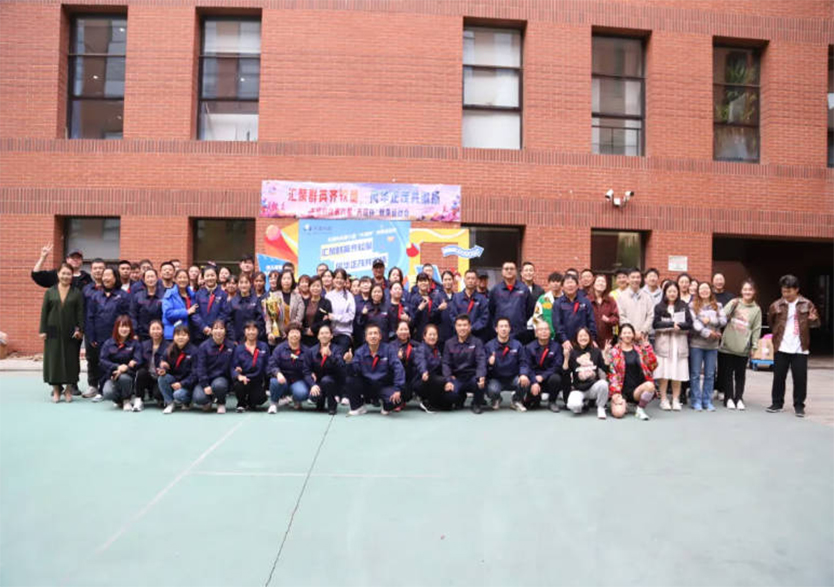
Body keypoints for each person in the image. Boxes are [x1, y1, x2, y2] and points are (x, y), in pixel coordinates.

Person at [767, 274, 820, 417]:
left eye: (789, 291)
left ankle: (799, 405)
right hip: (781, 346)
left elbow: (816, 324)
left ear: (796, 289)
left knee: (800, 379)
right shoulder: (776, 305)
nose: (786, 294)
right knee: (778, 377)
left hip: (800, 348)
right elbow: (771, 322)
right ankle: (777, 403)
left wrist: (813, 320)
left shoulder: (807, 304)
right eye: (783, 291)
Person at [39, 263, 84, 403]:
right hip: (52, 329)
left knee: (71, 359)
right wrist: (42, 330)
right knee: (54, 359)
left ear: (72, 276)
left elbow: (80, 313)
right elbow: (44, 312)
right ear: (58, 274)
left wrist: (80, 330)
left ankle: (69, 389)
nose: (66, 276)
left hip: (71, 330)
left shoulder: (77, 293)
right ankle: (56, 390)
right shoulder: (50, 292)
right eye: (63, 273)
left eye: (68, 274)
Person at [85, 267, 130, 402]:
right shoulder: (96, 296)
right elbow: (90, 317)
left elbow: (128, 316)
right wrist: (91, 336)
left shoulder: (123, 295)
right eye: (104, 276)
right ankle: (101, 390)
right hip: (99, 336)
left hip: (118, 336)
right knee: (102, 363)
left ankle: (121, 390)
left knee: (118, 361)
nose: (105, 278)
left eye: (109, 275)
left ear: (115, 278)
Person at [719, 280, 762, 411]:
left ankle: (739, 398)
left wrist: (754, 346)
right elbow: (721, 316)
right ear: (741, 291)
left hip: (743, 347)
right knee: (727, 373)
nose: (747, 292)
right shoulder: (734, 302)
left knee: (740, 374)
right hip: (728, 344)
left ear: (754, 292)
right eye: (745, 289)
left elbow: (756, 329)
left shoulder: (756, 309)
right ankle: (728, 398)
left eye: (750, 290)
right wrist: (731, 308)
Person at [346, 323, 406, 416]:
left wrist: (397, 389)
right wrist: (349, 362)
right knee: (350, 380)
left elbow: (398, 368)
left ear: (380, 336)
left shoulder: (389, 350)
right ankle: (358, 406)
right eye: (370, 334)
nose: (373, 336)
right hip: (366, 385)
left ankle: (386, 406)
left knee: (397, 401)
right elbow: (354, 371)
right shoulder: (359, 352)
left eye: (375, 333)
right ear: (366, 338)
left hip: (383, 385)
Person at [652, 281, 693, 411]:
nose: (672, 294)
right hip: (664, 345)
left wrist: (679, 326)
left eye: (674, 291)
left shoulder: (683, 306)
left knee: (677, 373)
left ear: (678, 292)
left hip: (679, 344)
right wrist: (671, 325)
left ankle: (675, 399)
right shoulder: (659, 307)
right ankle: (663, 399)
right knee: (664, 374)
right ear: (665, 293)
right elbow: (655, 324)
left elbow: (690, 324)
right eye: (669, 291)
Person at [607, 323, 658, 421]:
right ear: (620, 335)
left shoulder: (640, 349)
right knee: (618, 413)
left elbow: (653, 366)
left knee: (650, 386)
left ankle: (640, 408)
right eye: (624, 333)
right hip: (621, 390)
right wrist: (615, 393)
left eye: (629, 333)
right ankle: (625, 404)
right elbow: (612, 373)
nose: (627, 335)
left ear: (633, 335)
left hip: (637, 390)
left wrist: (648, 348)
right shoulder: (614, 351)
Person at [689, 282, 726, 412]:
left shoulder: (718, 306)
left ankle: (707, 401)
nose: (704, 291)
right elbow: (695, 323)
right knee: (695, 374)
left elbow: (723, 321)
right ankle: (696, 401)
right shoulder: (692, 305)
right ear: (698, 291)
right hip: (697, 344)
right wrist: (708, 333)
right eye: (701, 289)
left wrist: (710, 320)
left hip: (712, 345)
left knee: (710, 374)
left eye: (706, 288)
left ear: (711, 291)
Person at [442, 314, 487, 414]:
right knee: (449, 396)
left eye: (465, 325)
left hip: (472, 377)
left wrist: (481, 375)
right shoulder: (449, 343)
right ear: (455, 327)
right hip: (457, 378)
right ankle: (460, 398)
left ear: (469, 327)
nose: (462, 328)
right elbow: (446, 364)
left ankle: (476, 403)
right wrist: (448, 380)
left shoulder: (477, 342)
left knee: (480, 383)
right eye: (459, 325)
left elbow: (481, 361)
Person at [484, 317, 529, 412]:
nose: (503, 329)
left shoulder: (517, 345)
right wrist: (489, 363)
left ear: (509, 329)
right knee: (491, 389)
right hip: (496, 379)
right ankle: (496, 399)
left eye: (506, 326)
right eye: (501, 326)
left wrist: (523, 374)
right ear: (496, 329)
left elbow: (523, 362)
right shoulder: (489, 346)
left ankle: (516, 400)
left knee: (525, 381)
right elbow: (483, 367)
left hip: (513, 377)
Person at [563, 327, 608, 419]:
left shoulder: (596, 351)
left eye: (585, 335)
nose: (583, 338)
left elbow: (605, 368)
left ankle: (600, 407)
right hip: (578, 388)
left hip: (593, 387)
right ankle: (582, 404)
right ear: (576, 338)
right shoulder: (573, 353)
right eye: (580, 336)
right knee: (574, 406)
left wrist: (605, 354)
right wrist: (566, 358)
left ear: (589, 337)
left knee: (603, 384)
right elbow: (565, 373)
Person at [99, 315, 140, 411]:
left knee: (124, 378)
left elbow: (138, 360)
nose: (124, 329)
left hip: (129, 376)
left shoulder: (135, 343)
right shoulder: (108, 343)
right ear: (116, 328)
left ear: (130, 328)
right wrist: (117, 367)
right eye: (121, 326)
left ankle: (127, 399)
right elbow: (102, 360)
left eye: (127, 326)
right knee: (107, 393)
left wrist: (125, 369)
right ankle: (118, 401)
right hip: (112, 376)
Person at [193, 319, 235, 414]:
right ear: (211, 331)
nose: (218, 331)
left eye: (221, 328)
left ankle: (221, 402)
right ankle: (209, 401)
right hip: (206, 379)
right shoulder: (203, 346)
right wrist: (205, 385)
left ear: (225, 331)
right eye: (216, 328)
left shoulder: (231, 346)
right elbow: (201, 367)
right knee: (198, 398)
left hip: (221, 380)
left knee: (219, 385)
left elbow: (233, 366)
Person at [303, 323, 345, 414]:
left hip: (333, 381)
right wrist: (312, 385)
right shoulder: (311, 351)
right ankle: (320, 402)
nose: (324, 335)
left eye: (326, 333)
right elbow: (306, 370)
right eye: (321, 333)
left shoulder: (338, 349)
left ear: (331, 336)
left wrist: (330, 355)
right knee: (314, 396)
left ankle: (332, 405)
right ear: (318, 336)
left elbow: (341, 367)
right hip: (318, 381)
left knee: (326, 380)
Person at [267, 322, 310, 412]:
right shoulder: (279, 348)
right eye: (292, 332)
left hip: (297, 381)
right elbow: (272, 364)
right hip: (282, 380)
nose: (294, 335)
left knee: (302, 393)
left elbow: (309, 368)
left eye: (297, 332)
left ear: (300, 335)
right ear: (287, 335)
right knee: (274, 382)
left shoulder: (306, 351)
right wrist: (278, 373)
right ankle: (274, 403)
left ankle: (296, 398)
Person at [521, 321, 563, 411]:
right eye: (540, 329)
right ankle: (534, 399)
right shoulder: (529, 347)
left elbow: (557, 366)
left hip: (548, 377)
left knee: (556, 378)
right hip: (534, 377)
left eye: (546, 329)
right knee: (525, 379)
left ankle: (552, 401)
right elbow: (527, 366)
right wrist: (534, 381)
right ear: (536, 333)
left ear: (550, 332)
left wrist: (543, 376)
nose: (544, 332)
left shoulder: (556, 347)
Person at [158, 324, 198, 414]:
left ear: (188, 337)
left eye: (184, 335)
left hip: (188, 383)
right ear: (173, 337)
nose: (180, 337)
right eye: (178, 335)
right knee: (162, 378)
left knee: (178, 395)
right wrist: (163, 369)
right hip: (174, 379)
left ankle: (188, 401)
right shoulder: (169, 349)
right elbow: (163, 362)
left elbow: (195, 374)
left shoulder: (194, 351)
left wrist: (182, 384)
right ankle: (169, 403)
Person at [230, 321, 270, 412]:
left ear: (258, 331)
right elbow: (233, 367)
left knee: (260, 398)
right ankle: (241, 403)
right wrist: (238, 375)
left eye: (253, 329)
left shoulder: (264, 347)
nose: (251, 332)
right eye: (248, 329)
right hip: (244, 380)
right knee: (238, 386)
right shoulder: (238, 349)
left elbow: (268, 364)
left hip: (257, 380)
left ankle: (250, 402)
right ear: (244, 332)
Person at [552, 274, 597, 351]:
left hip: (583, 342)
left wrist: (592, 338)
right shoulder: (558, 303)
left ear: (577, 286)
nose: (570, 285)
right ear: (562, 287)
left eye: (572, 282)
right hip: (564, 343)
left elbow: (591, 321)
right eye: (567, 283)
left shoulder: (585, 302)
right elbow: (557, 324)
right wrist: (564, 340)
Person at [488, 261, 531, 341]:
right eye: (506, 269)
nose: (509, 271)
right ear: (502, 272)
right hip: (501, 332)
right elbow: (491, 310)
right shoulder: (496, 290)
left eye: (512, 269)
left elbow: (529, 310)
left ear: (516, 272)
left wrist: (521, 321)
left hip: (519, 332)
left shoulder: (524, 289)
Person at [264, 269, 304, 345]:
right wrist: (269, 332)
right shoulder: (273, 296)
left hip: (293, 335)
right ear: (280, 280)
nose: (286, 281)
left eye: (289, 278)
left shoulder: (298, 297)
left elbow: (299, 317)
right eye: (284, 278)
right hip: (277, 335)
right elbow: (268, 318)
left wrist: (290, 330)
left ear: (292, 280)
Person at [414, 323, 447, 413]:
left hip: (434, 379)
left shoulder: (436, 349)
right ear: (424, 336)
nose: (432, 337)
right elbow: (421, 361)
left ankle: (434, 402)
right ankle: (426, 402)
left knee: (448, 403)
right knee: (441, 381)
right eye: (430, 334)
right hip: (422, 380)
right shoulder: (421, 349)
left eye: (434, 335)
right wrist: (424, 371)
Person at [191, 265, 229, 344]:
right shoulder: (197, 294)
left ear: (216, 276)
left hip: (218, 334)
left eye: (212, 275)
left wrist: (215, 328)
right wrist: (203, 327)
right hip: (200, 334)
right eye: (207, 276)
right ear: (203, 278)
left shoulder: (223, 294)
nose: (210, 278)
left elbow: (224, 313)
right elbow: (195, 314)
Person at [450, 270, 489, 341]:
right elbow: (452, 315)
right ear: (464, 280)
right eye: (468, 278)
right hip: (459, 337)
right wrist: (461, 328)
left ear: (476, 281)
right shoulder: (456, 297)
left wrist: (471, 328)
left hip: (477, 337)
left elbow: (484, 318)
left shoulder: (482, 299)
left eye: (473, 278)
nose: (470, 281)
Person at [135, 319, 166, 409]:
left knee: (158, 394)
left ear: (163, 331)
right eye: (153, 329)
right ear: (149, 331)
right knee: (141, 372)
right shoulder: (143, 345)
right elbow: (139, 361)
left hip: (161, 377)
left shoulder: (168, 346)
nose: (155, 331)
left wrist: (165, 368)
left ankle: (161, 398)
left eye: (158, 329)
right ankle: (139, 399)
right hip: (148, 376)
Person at [617, 268, 654, 343]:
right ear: (628, 279)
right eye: (633, 277)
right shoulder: (621, 297)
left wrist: (642, 331)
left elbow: (650, 316)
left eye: (638, 277)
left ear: (641, 279)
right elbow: (621, 316)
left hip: (642, 337)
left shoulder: (647, 297)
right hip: (626, 337)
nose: (635, 280)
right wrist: (632, 332)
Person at [325, 268, 355, 358]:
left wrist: (335, 317)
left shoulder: (349, 296)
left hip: (344, 334)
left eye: (341, 278)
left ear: (345, 281)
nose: (339, 280)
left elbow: (351, 316)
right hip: (329, 335)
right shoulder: (328, 296)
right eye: (337, 278)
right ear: (333, 279)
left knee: (340, 359)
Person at [228, 273, 265, 343]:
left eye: (246, 282)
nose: (244, 285)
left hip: (253, 339)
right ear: (238, 285)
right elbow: (229, 322)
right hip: (237, 340)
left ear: (250, 284)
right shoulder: (232, 302)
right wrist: (233, 339)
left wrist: (256, 336)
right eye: (241, 282)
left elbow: (260, 321)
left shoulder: (256, 300)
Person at [162, 269, 197, 341]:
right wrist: (186, 312)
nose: (182, 280)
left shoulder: (192, 295)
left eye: (185, 277)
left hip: (189, 333)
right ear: (175, 279)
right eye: (180, 277)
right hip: (174, 333)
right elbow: (168, 313)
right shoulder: (169, 294)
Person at [130, 268, 163, 340]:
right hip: (142, 334)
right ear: (144, 280)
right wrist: (135, 332)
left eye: (152, 276)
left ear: (157, 278)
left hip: (160, 333)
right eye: (148, 277)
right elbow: (133, 315)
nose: (150, 279)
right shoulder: (137, 296)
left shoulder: (164, 295)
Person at [394, 320, 420, 405]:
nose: (403, 332)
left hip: (412, 378)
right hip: (397, 379)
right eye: (401, 329)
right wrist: (397, 358)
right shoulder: (391, 346)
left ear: (409, 331)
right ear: (396, 331)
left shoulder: (416, 345)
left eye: (406, 329)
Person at [302, 275, 332, 347]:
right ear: (309, 287)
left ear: (322, 287)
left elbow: (327, 320)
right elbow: (301, 319)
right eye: (313, 286)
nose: (315, 288)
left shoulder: (326, 302)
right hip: (304, 336)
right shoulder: (304, 302)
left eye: (318, 286)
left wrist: (312, 329)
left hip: (319, 337)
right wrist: (305, 330)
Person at [531, 271, 562, 339]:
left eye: (558, 281)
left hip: (563, 336)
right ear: (549, 283)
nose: (555, 284)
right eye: (553, 281)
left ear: (562, 283)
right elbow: (536, 317)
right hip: (547, 336)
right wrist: (540, 331)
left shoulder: (566, 299)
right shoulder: (542, 299)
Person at [590, 274, 619, 348]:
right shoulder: (587, 300)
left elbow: (616, 318)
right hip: (590, 339)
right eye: (598, 281)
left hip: (607, 339)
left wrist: (609, 320)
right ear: (593, 284)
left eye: (603, 282)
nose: (601, 283)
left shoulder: (611, 300)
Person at [409, 273, 439, 340]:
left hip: (432, 333)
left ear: (428, 282)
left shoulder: (433, 297)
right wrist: (419, 309)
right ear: (417, 283)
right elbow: (412, 320)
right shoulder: (414, 298)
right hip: (419, 334)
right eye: (420, 281)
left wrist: (439, 309)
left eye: (425, 280)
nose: (423, 283)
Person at [433, 270, 457, 344]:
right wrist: (439, 309)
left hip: (454, 334)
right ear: (442, 281)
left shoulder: (457, 297)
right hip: (441, 335)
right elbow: (432, 316)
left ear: (453, 281)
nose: (448, 282)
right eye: (445, 280)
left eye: (449, 279)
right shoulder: (437, 297)